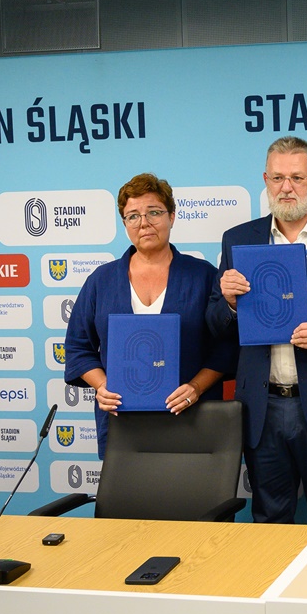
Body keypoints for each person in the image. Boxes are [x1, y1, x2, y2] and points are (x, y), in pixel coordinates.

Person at [207, 136, 307, 524]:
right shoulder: (238, 239)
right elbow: (215, 324)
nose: (287, 187)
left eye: (297, 178)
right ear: (265, 180)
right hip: (261, 410)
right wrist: (229, 302)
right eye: (278, 177)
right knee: (269, 520)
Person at [65, 173, 232, 459]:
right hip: (122, 424)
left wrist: (195, 387)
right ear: (125, 223)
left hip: (191, 418)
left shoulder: (203, 275)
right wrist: (103, 386)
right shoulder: (101, 280)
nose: (144, 223)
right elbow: (78, 348)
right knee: (129, 503)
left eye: (154, 212)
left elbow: (226, 346)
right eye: (133, 216)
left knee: (190, 502)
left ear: (172, 216)